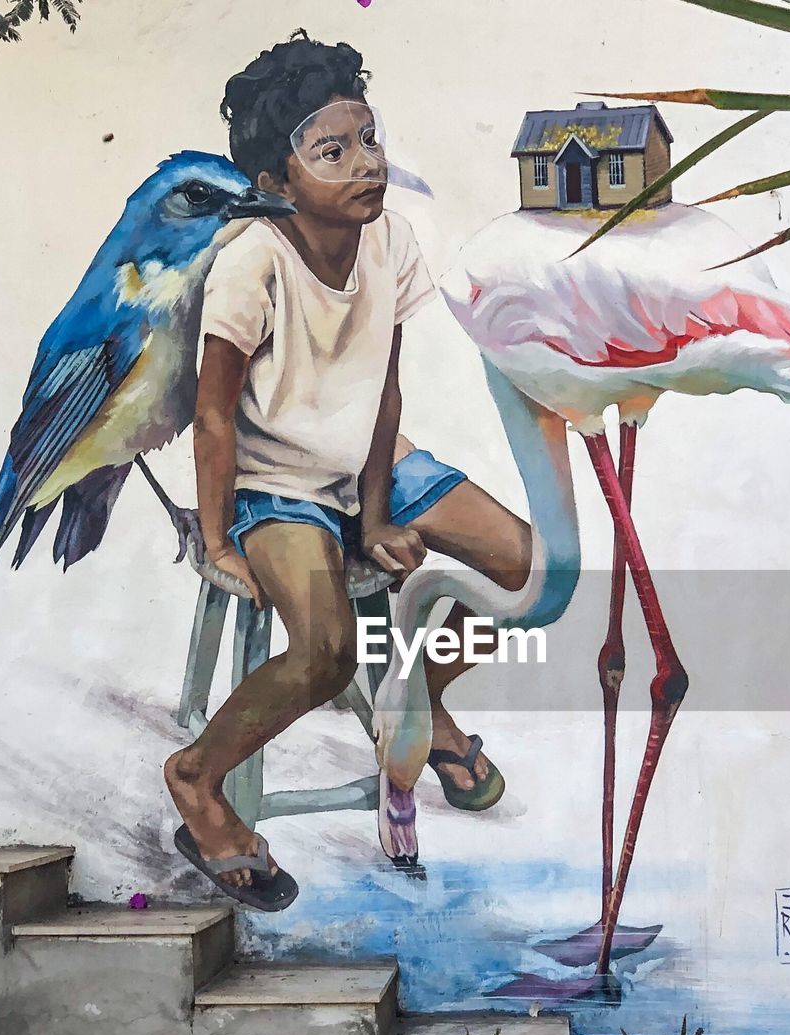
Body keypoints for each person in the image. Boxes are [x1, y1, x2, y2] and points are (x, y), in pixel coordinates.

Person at [165, 32, 531, 909]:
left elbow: (383, 389)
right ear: (276, 183)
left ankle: (422, 707)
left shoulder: (390, 240)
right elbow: (214, 416)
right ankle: (196, 781)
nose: (366, 164)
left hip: (373, 463)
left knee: (532, 569)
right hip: (273, 483)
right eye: (333, 151)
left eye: (369, 140)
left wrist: (373, 515)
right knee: (326, 652)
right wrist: (217, 539)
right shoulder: (250, 263)